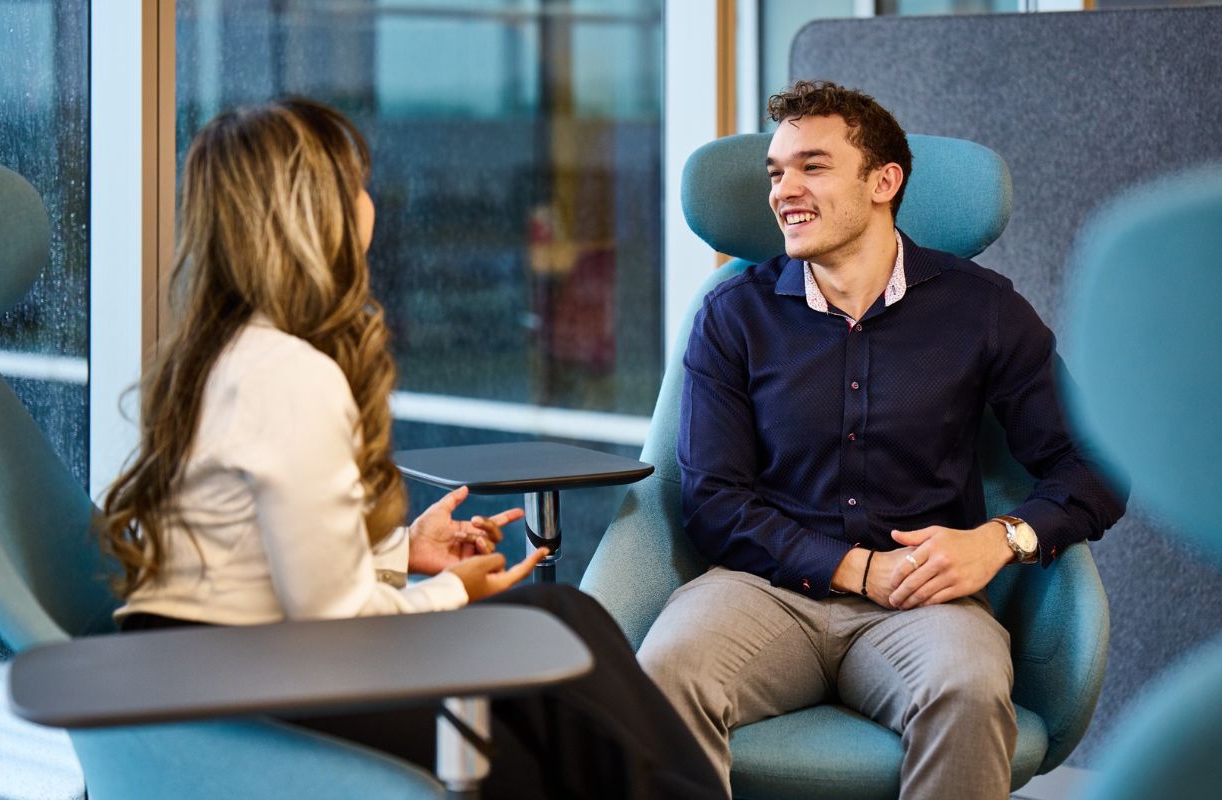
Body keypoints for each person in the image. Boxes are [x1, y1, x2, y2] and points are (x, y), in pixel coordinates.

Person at [98, 97, 722, 800]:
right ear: (317, 210)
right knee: (564, 687)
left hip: (216, 666)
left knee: (563, 617)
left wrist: (399, 553)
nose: (371, 202)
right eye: (357, 183)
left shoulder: (215, 358)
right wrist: (450, 591)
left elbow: (250, 556)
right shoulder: (290, 374)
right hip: (255, 693)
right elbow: (335, 630)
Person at [636, 80, 1127, 800]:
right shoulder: (732, 316)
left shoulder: (982, 309)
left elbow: (1095, 466)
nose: (783, 191)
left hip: (925, 602)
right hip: (763, 591)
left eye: (812, 166)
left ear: (883, 181)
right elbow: (713, 501)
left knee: (967, 689)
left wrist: (1000, 540)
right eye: (776, 173)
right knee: (662, 675)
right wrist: (857, 569)